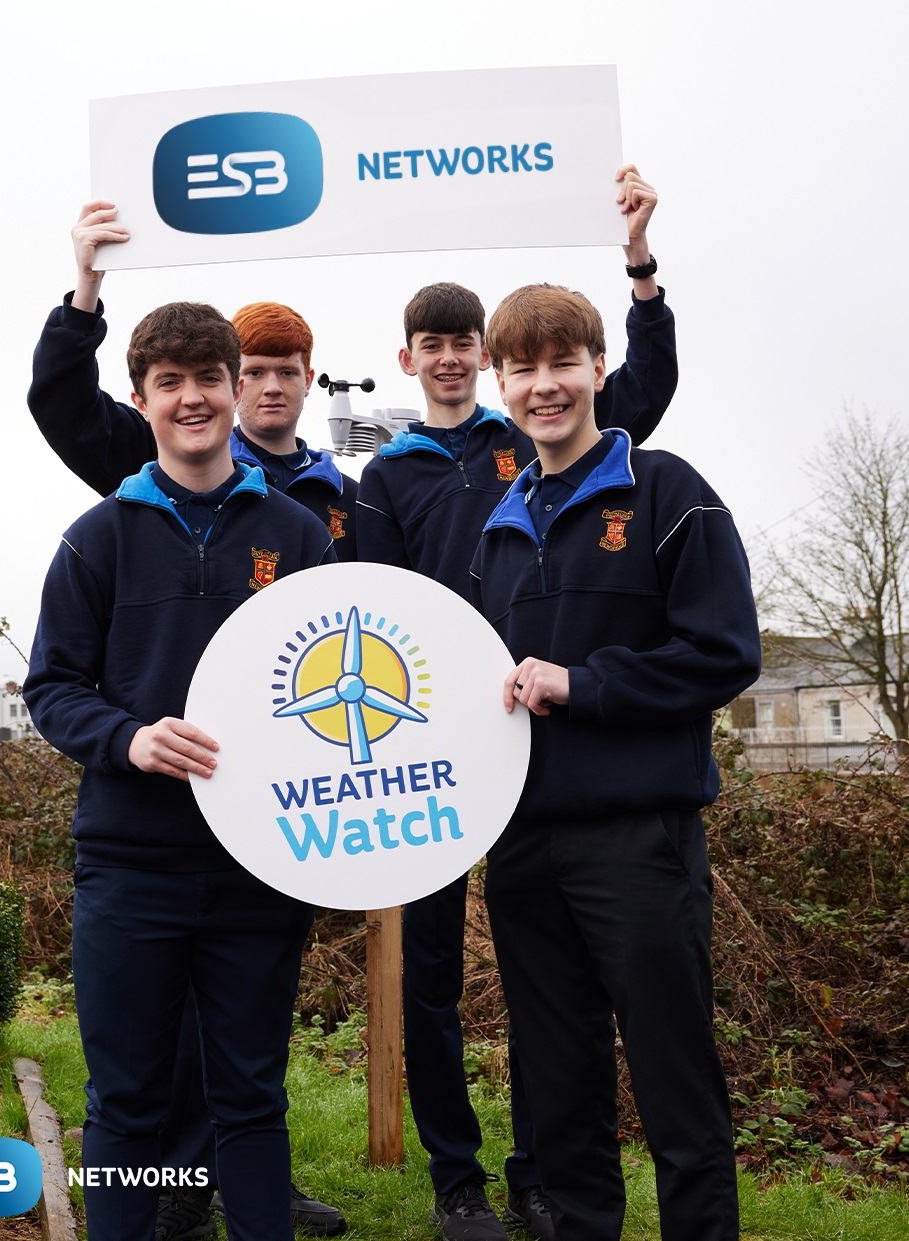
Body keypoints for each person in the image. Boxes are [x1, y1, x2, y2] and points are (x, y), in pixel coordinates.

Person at [355, 167, 677, 1241]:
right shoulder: (384, 477)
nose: (450, 357)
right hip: (442, 747)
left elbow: (639, 392)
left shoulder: (526, 440)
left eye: (464, 342)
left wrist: (639, 271)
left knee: (548, 997)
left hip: (547, 746)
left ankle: (541, 1171)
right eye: (433, 343)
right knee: (435, 973)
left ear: (483, 361)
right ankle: (460, 1178)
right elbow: (382, 607)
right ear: (413, 359)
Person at [28, 206, 351, 1240]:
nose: (194, 396)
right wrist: (128, 738)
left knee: (251, 1096)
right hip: (129, 867)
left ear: (232, 385)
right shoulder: (96, 537)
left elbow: (331, 681)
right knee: (126, 1100)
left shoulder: (298, 531)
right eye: (169, 382)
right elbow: (53, 686)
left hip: (260, 863)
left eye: (207, 376)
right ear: (142, 401)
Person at [470, 282, 762, 1241]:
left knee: (674, 1076)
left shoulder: (669, 491)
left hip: (636, 839)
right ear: (498, 382)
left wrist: (582, 685)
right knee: (557, 1086)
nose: (543, 386)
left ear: (599, 369)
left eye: (562, 363)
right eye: (522, 368)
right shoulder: (497, 529)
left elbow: (723, 653)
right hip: (520, 846)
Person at [28, 201, 358, 559]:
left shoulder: (356, 500)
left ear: (309, 379)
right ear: (238, 382)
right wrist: (86, 289)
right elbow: (65, 405)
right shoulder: (166, 454)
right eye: (256, 371)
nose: (273, 387)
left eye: (287, 372)